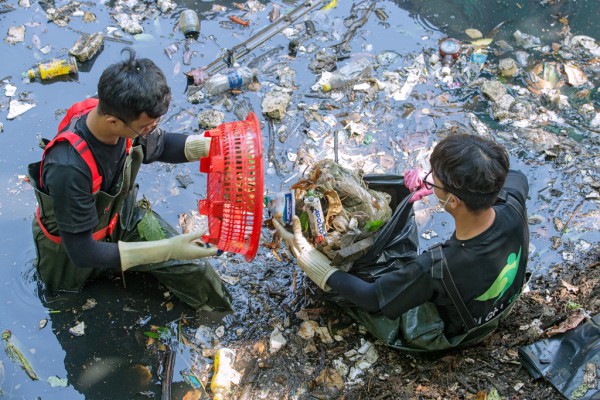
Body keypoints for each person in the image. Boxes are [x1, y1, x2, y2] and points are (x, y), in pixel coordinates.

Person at [273, 134, 529, 351]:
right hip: (503, 303)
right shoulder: (512, 204)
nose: (428, 179)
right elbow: (518, 177)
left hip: (457, 333)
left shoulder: (437, 266)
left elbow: (372, 297)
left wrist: (320, 268)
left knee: (353, 291)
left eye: (433, 179)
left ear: (453, 201)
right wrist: (434, 188)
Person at [28, 48, 231, 312]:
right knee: (70, 303)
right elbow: (82, 251)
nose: (150, 132)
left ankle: (217, 314)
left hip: (120, 218)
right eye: (146, 127)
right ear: (113, 122)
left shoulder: (122, 112)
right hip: (71, 252)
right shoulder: (68, 168)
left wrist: (212, 148)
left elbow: (161, 145)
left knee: (196, 270)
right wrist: (168, 249)